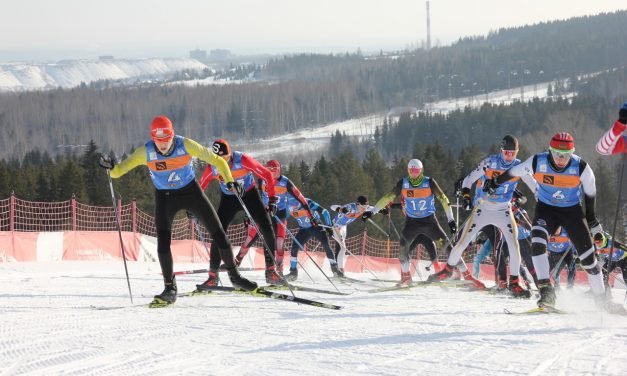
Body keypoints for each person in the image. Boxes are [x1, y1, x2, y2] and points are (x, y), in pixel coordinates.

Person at [98, 115, 256, 306]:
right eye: (158, 141)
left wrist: (230, 181)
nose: (162, 145)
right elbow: (118, 172)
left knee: (219, 234)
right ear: (153, 138)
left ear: (172, 136)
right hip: (165, 197)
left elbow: (219, 162)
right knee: (163, 244)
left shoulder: (186, 145)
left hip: (192, 193)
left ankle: (235, 276)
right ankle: (169, 288)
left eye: (166, 140)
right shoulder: (145, 152)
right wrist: (110, 168)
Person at [483, 132, 608, 309]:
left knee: (589, 260)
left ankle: (602, 302)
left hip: (572, 212)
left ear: (572, 152)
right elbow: (512, 172)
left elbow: (590, 202)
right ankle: (547, 291)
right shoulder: (537, 162)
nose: (561, 159)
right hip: (546, 210)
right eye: (557, 153)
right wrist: (495, 182)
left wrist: (594, 226)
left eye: (566, 155)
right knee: (537, 241)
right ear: (550, 150)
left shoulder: (581, 168)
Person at [428, 135, 530, 297]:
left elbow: (535, 186)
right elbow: (468, 181)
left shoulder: (519, 167)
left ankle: (515, 282)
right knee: (462, 242)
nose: (509, 156)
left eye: (513, 153)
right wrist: (467, 197)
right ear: (501, 151)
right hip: (483, 209)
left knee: (513, 244)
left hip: (504, 210)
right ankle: (447, 270)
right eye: (506, 153)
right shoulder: (490, 163)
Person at [362, 159, 462, 287]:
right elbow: (388, 198)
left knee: (447, 247)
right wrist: (373, 211)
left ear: (421, 171)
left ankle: (462, 273)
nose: (413, 173)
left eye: (416, 171)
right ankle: (406, 277)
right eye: (411, 170)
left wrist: (451, 220)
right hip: (412, 223)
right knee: (403, 250)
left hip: (429, 222)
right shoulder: (403, 183)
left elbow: (443, 199)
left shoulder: (429, 182)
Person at [198, 139, 284, 286]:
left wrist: (271, 199)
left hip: (250, 196)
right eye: (218, 159)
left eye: (224, 158)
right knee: (217, 232)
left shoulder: (243, 160)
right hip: (229, 199)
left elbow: (267, 175)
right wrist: (195, 206)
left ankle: (270, 271)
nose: (222, 162)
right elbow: (200, 186)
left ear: (230, 154)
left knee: (267, 228)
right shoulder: (213, 166)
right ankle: (213, 276)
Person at [234, 160, 314, 270]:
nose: (271, 173)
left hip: (279, 215)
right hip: (264, 214)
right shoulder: (262, 179)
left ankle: (279, 269)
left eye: (273, 171)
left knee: (279, 244)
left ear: (279, 170)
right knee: (250, 238)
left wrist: (311, 216)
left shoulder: (286, 182)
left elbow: (301, 199)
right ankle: (237, 261)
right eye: (268, 170)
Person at [285, 197, 338, 281]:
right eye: (293, 207)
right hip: (303, 230)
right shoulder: (288, 206)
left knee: (326, 245)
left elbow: (325, 212)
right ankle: (293, 272)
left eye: (297, 207)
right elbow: (284, 217)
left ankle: (335, 270)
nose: (295, 209)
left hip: (316, 227)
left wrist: (329, 226)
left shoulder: (308, 202)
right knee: (294, 249)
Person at [329, 195, 374, 277]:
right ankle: (340, 270)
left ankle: (337, 269)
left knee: (340, 247)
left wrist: (384, 210)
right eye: (363, 206)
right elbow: (332, 206)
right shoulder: (350, 207)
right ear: (358, 204)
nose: (364, 208)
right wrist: (342, 209)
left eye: (366, 206)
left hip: (343, 226)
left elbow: (374, 209)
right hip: (335, 226)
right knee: (342, 247)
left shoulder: (364, 208)